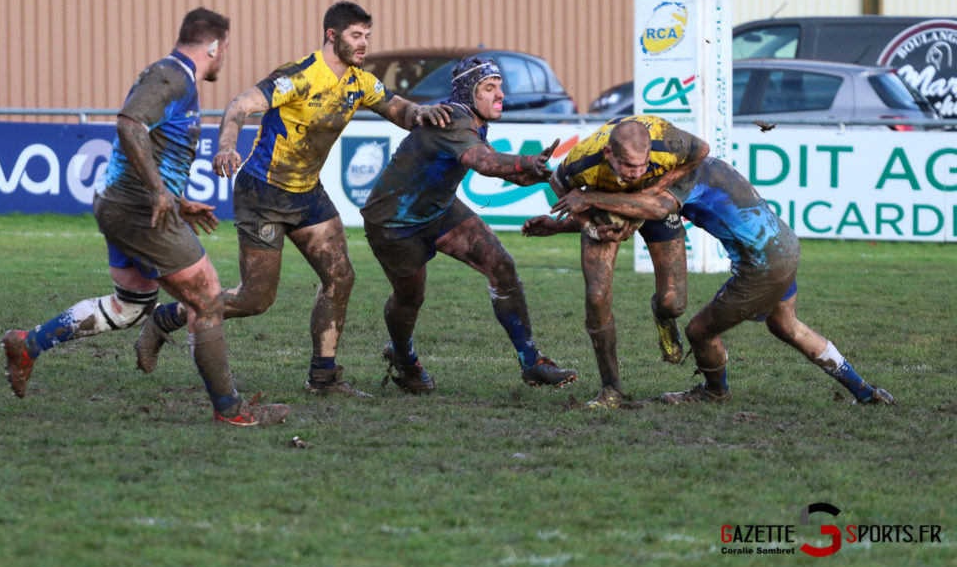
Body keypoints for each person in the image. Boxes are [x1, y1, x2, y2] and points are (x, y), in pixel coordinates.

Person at [134, 1, 451, 397]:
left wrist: (427, 113)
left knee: (340, 277)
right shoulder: (297, 77)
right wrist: (227, 147)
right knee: (255, 299)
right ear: (332, 36)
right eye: (356, 36)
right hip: (263, 193)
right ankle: (165, 319)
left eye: (368, 36)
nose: (364, 44)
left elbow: (399, 110)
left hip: (307, 195)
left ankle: (323, 378)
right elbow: (239, 106)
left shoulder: (359, 82)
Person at [1, 7, 289, 427]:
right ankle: (232, 410)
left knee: (129, 307)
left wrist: (178, 198)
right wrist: (158, 192)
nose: (225, 56)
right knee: (207, 296)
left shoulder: (177, 78)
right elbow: (130, 124)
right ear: (213, 46)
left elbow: (153, 145)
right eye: (225, 47)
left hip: (125, 204)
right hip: (139, 209)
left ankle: (28, 345)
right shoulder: (171, 76)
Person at [549, 125, 896, 407]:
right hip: (785, 246)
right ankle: (865, 392)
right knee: (787, 326)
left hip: (760, 266)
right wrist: (560, 225)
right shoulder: (702, 166)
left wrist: (590, 197)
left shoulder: (688, 176)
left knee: (699, 332)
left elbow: (654, 210)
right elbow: (639, 213)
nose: (642, 174)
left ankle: (715, 392)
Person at [361, 56, 577, 393]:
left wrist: (530, 173)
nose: (500, 94)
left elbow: (490, 159)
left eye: (500, 86)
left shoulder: (471, 120)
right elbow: (482, 162)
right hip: (394, 223)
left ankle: (531, 361)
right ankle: (403, 356)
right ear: (468, 94)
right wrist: (523, 163)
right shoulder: (453, 118)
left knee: (501, 265)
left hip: (439, 210)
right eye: (489, 88)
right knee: (409, 299)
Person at [522, 116, 709, 408]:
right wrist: (589, 226)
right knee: (596, 297)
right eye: (627, 166)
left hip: (653, 206)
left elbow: (702, 151)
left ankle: (661, 314)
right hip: (604, 206)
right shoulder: (585, 158)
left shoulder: (668, 142)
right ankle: (611, 389)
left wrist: (657, 187)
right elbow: (559, 183)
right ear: (609, 155)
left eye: (641, 165)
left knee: (674, 303)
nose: (635, 173)